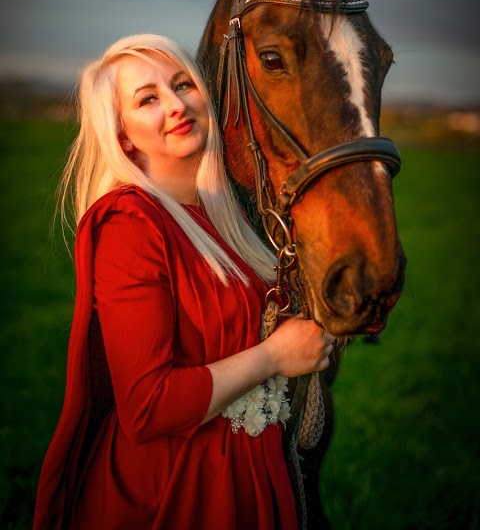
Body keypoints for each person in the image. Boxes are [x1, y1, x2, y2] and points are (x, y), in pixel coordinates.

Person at [33, 33, 333, 530]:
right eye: (148, 99)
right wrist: (275, 356)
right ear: (123, 134)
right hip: (178, 490)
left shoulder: (222, 213)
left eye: (182, 85)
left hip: (249, 475)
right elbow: (147, 407)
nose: (175, 105)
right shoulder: (130, 223)